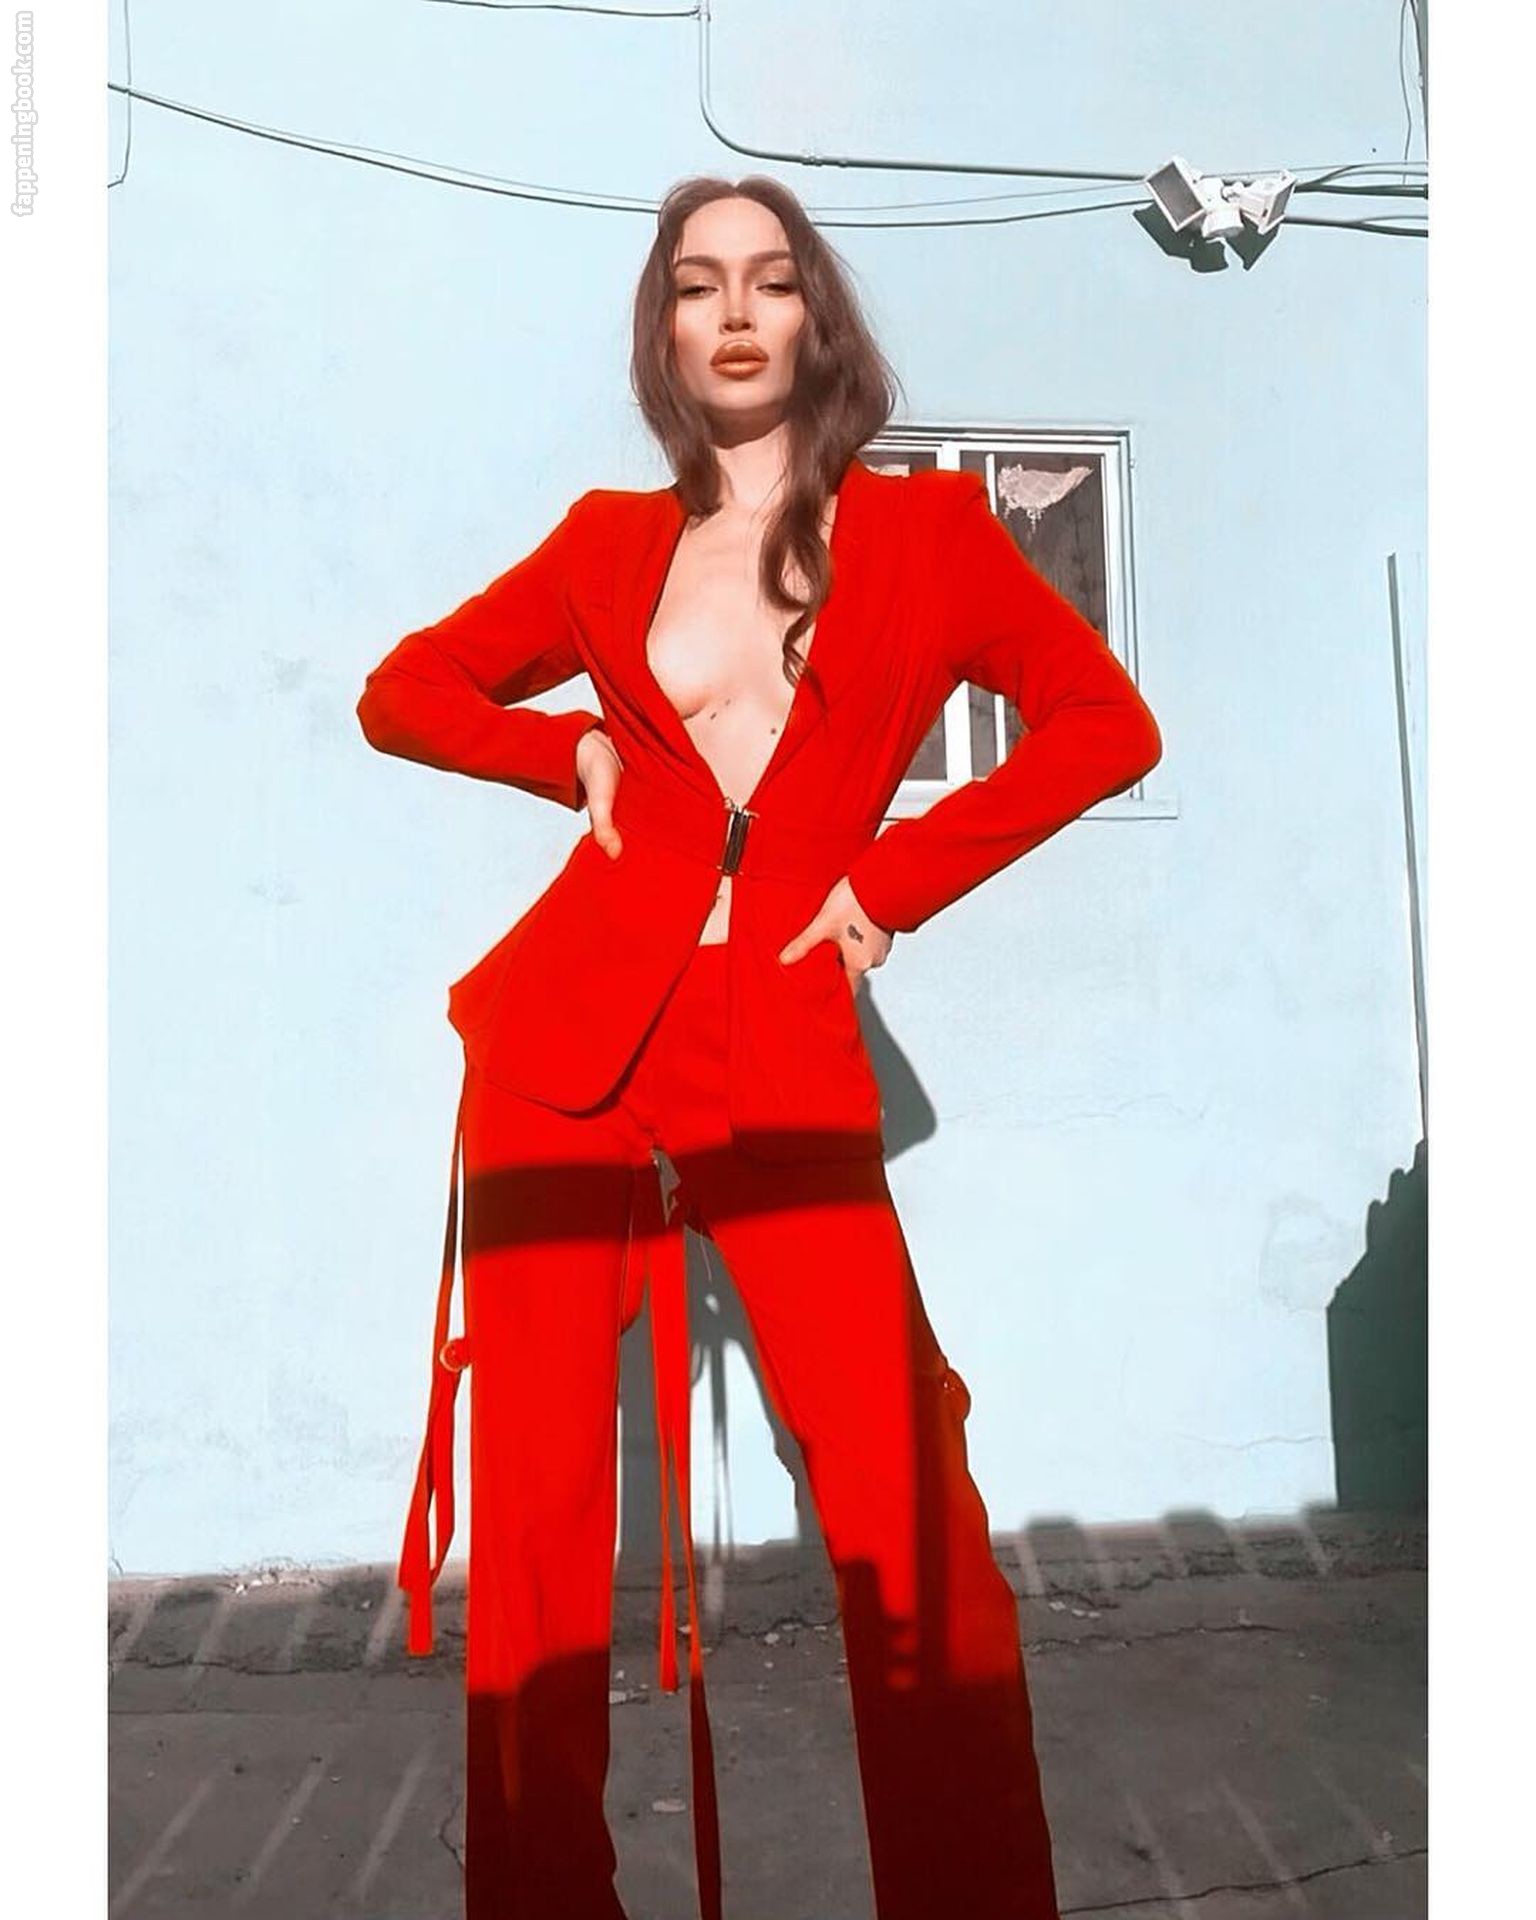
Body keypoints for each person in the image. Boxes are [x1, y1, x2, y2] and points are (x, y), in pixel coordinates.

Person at [356, 173, 1162, 1920]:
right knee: (543, 1538)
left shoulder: (931, 540)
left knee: (909, 1515)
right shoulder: (602, 543)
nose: (733, 312)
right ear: (664, 332)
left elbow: (1106, 723)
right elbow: (402, 690)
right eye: (696, 284)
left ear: (815, 319)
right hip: (564, 1053)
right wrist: (563, 751)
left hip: (778, 1046)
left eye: (770, 281)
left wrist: (892, 883)